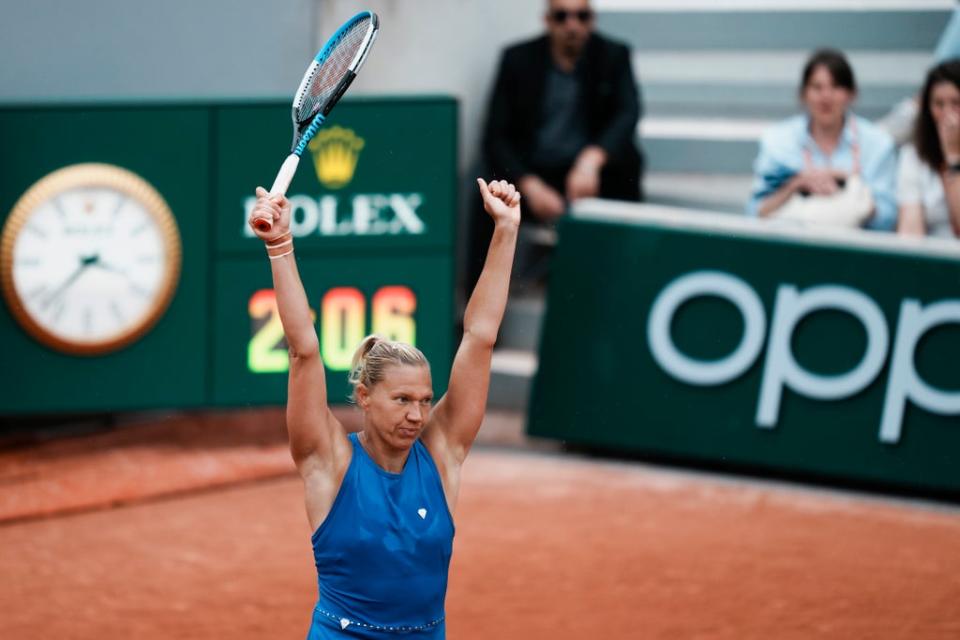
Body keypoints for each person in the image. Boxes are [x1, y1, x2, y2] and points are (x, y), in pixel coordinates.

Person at [248, 178, 521, 638]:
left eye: (424, 401)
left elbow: (480, 338)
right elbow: (303, 350)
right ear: (364, 397)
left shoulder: (442, 451)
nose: (417, 415)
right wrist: (280, 245)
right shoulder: (327, 460)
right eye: (402, 400)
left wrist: (506, 231)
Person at [467, 0, 642, 290]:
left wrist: (592, 160)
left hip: (588, 173)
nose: (572, 25)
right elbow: (495, 135)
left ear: (592, 20)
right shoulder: (518, 59)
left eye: (581, 16)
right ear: (547, 20)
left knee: (629, 165)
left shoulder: (612, 55)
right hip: (533, 169)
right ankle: (475, 304)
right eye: (562, 16)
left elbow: (628, 113)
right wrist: (530, 185)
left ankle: (623, 287)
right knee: (488, 193)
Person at [747, 49, 897, 231]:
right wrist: (796, 185)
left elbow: (888, 220)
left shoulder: (878, 144)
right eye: (817, 87)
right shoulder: (778, 140)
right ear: (803, 94)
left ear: (851, 94)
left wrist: (848, 182)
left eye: (835, 87)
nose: (826, 96)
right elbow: (755, 211)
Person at [897, 60, 960, 238]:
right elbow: (910, 233)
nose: (947, 113)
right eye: (939, 104)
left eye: (956, 103)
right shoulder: (913, 157)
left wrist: (953, 157)